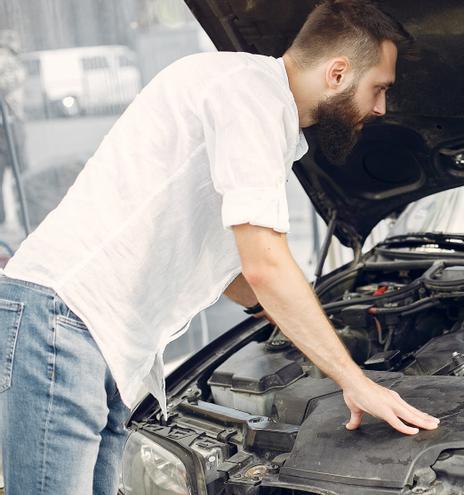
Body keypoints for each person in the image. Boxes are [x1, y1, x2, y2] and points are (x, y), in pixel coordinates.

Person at [0, 1, 439, 493]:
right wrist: (354, 380)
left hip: (100, 336)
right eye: (379, 88)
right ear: (338, 73)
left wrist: (302, 328)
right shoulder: (248, 97)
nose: (381, 108)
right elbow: (264, 264)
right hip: (65, 320)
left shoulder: (254, 102)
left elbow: (228, 263)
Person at [0, 29, 26, 226]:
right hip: (9, 122)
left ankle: (10, 215)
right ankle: (22, 212)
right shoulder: (8, 60)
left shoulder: (9, 61)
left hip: (11, 119)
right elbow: (10, 82)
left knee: (11, 172)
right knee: (19, 170)